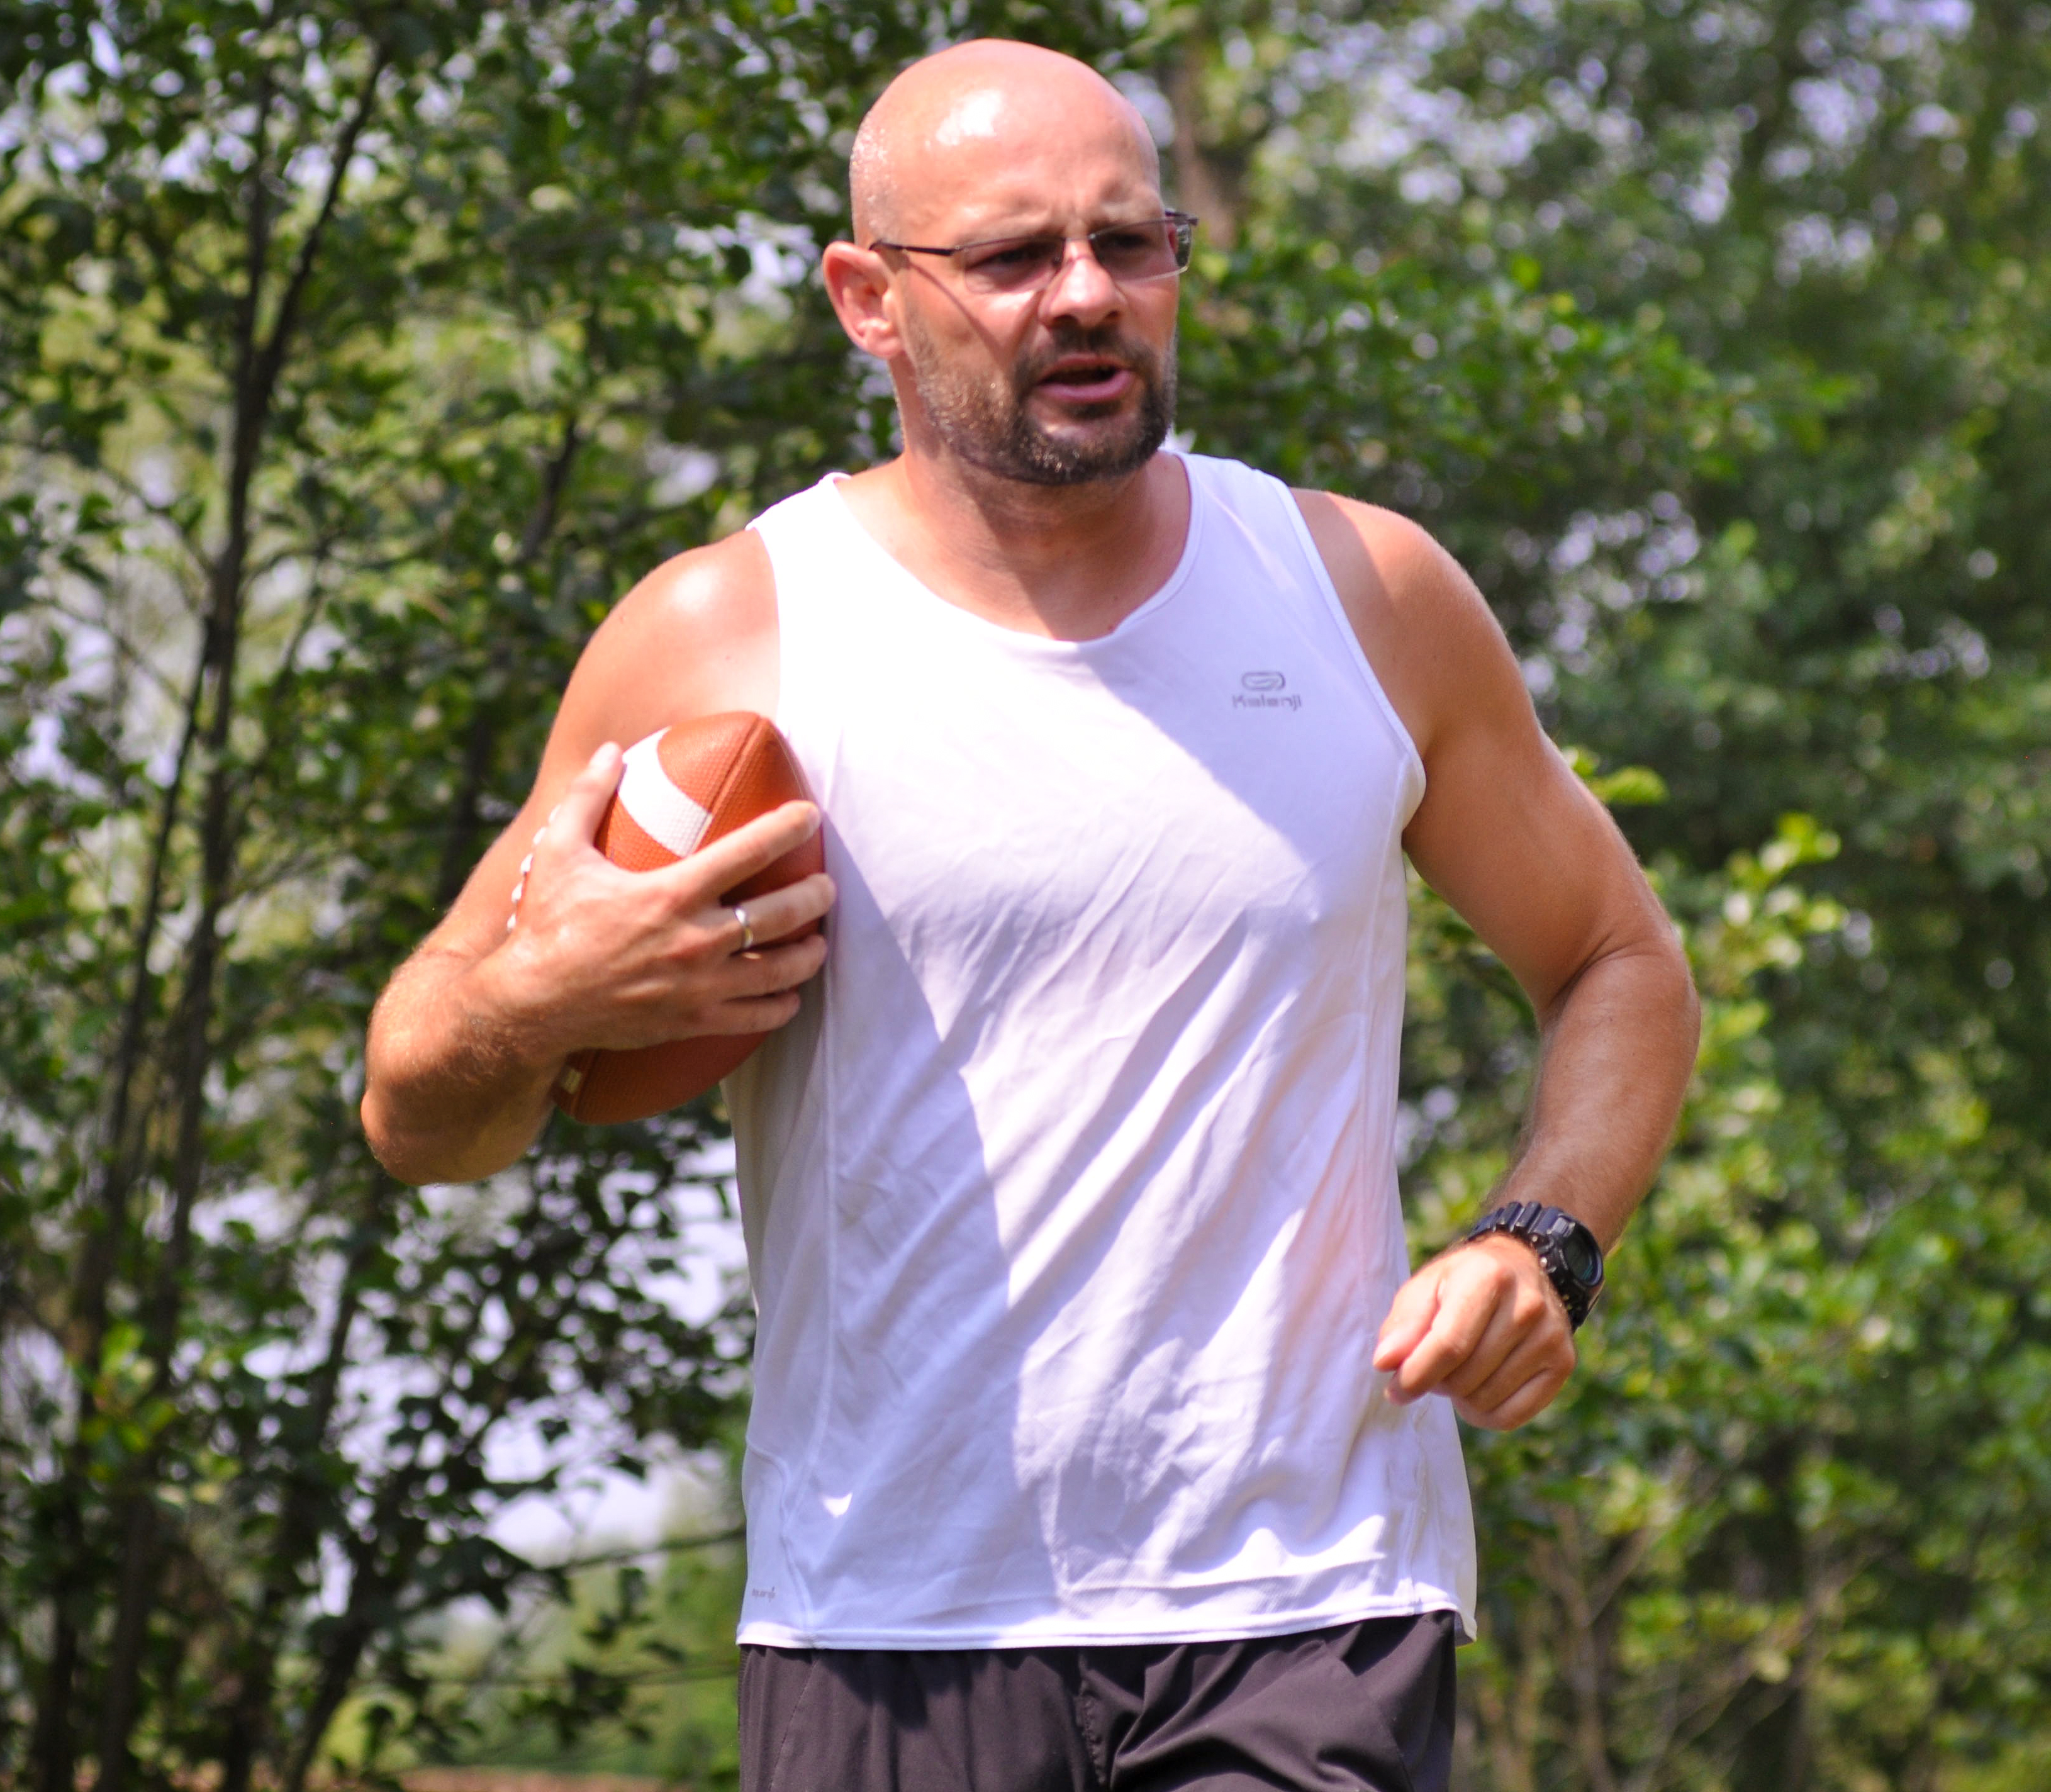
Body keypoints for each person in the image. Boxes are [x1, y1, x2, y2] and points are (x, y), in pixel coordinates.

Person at [361, 37, 1699, 1792]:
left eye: (1129, 244)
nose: (1086, 296)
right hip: (886, 1622)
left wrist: (1543, 1240)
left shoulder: (1361, 594)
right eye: (1011, 257)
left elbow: (1619, 960)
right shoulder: (728, 633)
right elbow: (419, 1115)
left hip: (1305, 1602)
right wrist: (547, 995)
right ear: (868, 299)